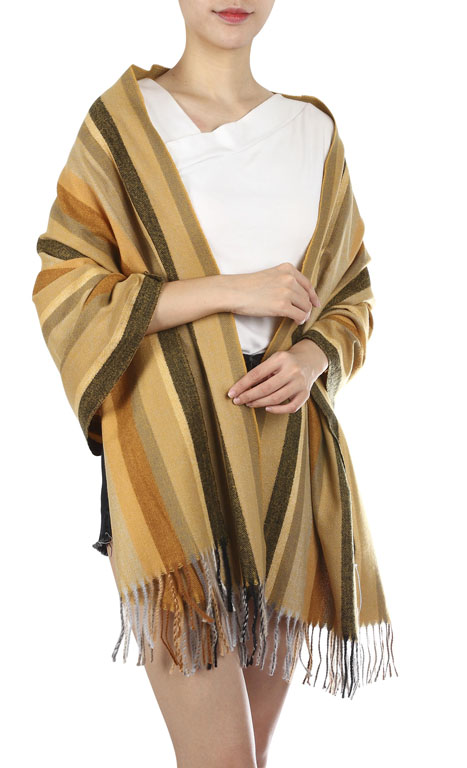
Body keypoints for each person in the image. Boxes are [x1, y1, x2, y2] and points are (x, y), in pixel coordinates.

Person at [32, 1, 397, 766]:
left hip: (286, 464)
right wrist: (235, 290)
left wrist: (312, 356)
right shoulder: (122, 123)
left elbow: (351, 294)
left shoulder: (313, 131)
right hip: (171, 451)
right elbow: (69, 285)